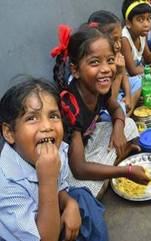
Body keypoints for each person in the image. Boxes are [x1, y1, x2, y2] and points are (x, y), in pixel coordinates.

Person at [0, 76, 108, 240]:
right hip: (32, 235)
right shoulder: (6, 184)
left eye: (53, 116)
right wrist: (48, 180)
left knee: (81, 197)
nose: (47, 126)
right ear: (9, 133)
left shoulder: (56, 152)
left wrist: (69, 203)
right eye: (31, 118)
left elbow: (60, 188)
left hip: (50, 215)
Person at [52, 25, 151, 199]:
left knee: (128, 124)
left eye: (110, 60)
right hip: (71, 162)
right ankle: (116, 165)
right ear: (75, 70)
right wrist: (125, 171)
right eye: (95, 62)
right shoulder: (70, 105)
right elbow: (79, 168)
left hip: (88, 142)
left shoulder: (98, 89)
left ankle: (111, 166)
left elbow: (116, 110)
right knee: (86, 188)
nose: (106, 69)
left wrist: (118, 130)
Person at [87, 10, 137, 118]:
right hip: (106, 103)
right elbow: (110, 101)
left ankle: (126, 110)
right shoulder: (97, 66)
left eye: (119, 39)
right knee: (108, 115)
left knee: (139, 81)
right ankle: (123, 116)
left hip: (117, 92)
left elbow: (124, 76)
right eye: (114, 40)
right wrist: (118, 74)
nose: (119, 45)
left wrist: (128, 96)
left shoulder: (115, 53)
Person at [121, 0, 151, 88]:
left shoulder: (141, 34)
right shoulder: (124, 39)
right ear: (128, 23)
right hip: (129, 79)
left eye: (148, 18)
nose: (146, 24)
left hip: (139, 69)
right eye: (140, 20)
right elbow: (132, 71)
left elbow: (148, 57)